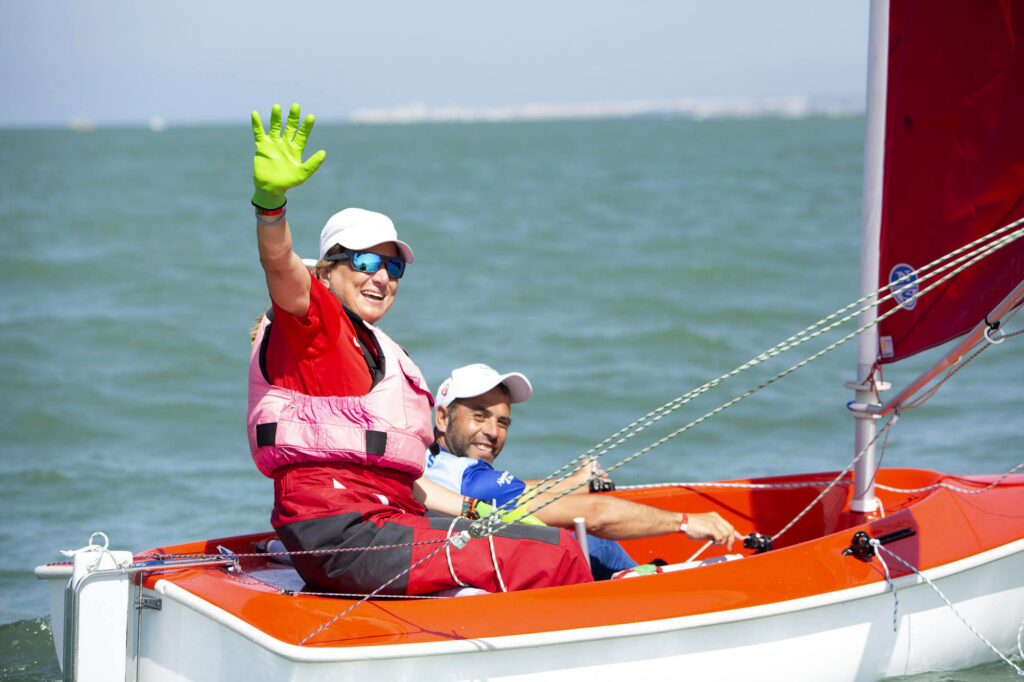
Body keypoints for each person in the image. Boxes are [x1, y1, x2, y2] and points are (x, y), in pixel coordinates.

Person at [246, 103, 592, 595]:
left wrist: (475, 510)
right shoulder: (312, 325)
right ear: (327, 271)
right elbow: (281, 269)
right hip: (348, 536)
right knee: (556, 555)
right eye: (365, 262)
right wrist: (271, 205)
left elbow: (403, 478)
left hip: (378, 523)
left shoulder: (371, 345)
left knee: (535, 539)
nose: (382, 277)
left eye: (394, 268)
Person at [424, 363, 744, 579]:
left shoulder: (428, 459)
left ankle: (637, 576)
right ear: (442, 418)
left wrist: (574, 484)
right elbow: (597, 516)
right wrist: (685, 521)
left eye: (502, 421)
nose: (493, 432)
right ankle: (645, 582)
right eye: (480, 416)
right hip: (530, 590)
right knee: (581, 532)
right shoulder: (475, 481)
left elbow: (515, 491)